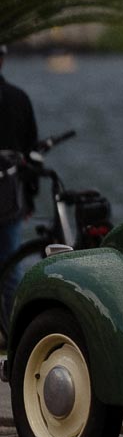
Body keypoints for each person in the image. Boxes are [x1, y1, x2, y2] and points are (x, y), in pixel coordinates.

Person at [0, 44, 38, 326]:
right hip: (11, 197)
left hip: (11, 196)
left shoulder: (18, 98)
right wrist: (31, 197)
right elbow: (31, 153)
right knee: (12, 268)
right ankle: (15, 329)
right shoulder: (19, 98)